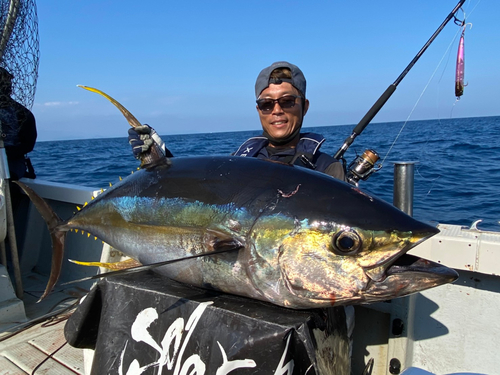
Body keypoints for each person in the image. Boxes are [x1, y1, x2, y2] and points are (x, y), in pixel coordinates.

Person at [128, 61, 345, 180]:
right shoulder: (239, 161)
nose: (276, 110)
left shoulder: (328, 170)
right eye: (267, 104)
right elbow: (199, 198)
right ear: (258, 109)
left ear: (304, 106)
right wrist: (163, 159)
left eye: (287, 101)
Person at [0, 67, 37, 180]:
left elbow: (28, 144)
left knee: (10, 183)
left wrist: (6, 154)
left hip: (11, 162)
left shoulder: (22, 113)